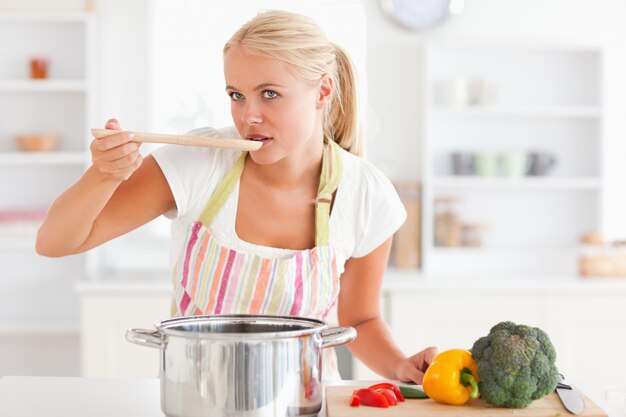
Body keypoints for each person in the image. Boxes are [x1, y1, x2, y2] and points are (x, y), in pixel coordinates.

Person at [36, 10, 436, 382]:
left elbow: (361, 320)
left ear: (323, 91)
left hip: (304, 399)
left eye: (270, 94)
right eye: (236, 95)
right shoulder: (198, 164)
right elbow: (55, 241)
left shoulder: (366, 193)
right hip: (197, 398)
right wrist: (104, 175)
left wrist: (401, 365)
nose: (249, 116)